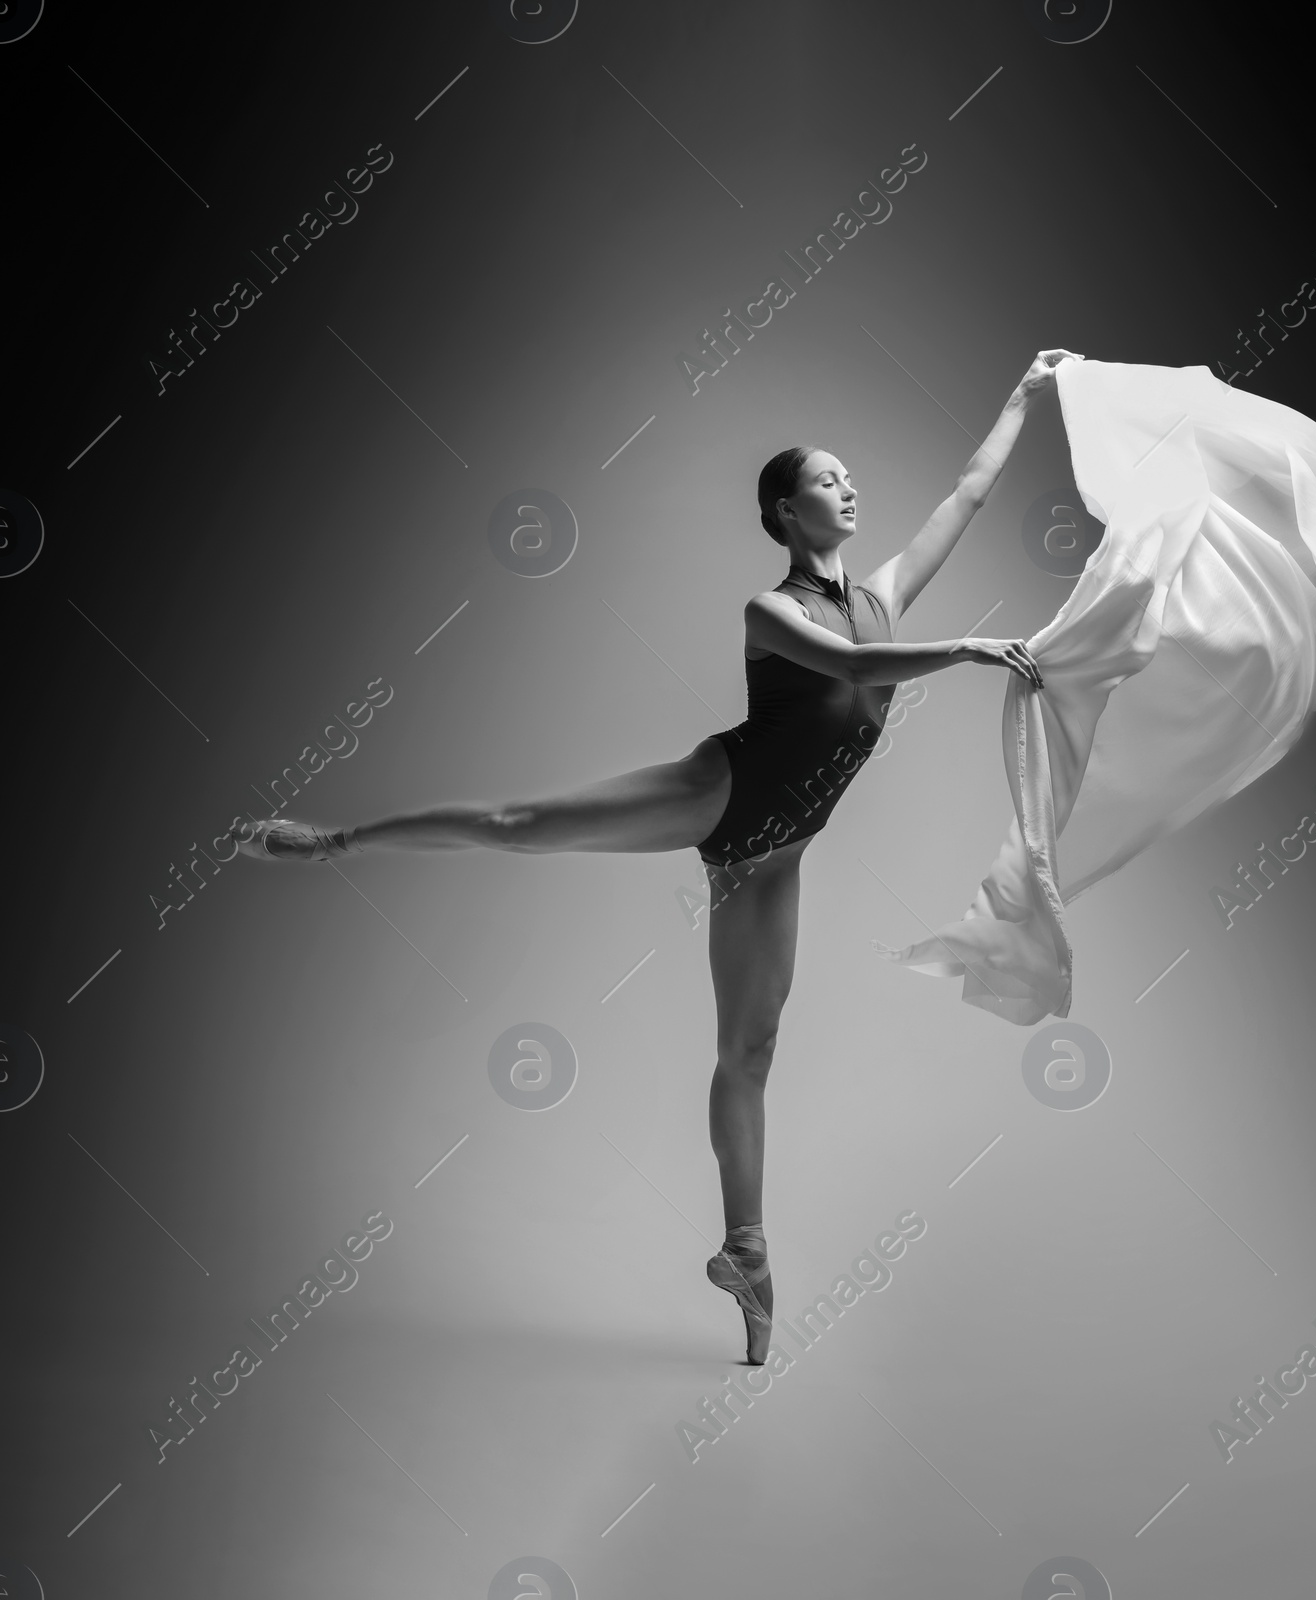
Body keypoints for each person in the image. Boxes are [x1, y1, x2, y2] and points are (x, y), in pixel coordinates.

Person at [234, 348, 1077, 1361]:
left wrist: (1025, 396)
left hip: (775, 859)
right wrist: (968, 648)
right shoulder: (775, 613)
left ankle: (745, 1255)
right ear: (782, 511)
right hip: (713, 795)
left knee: (749, 1055)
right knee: (518, 826)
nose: (848, 485)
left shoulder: (885, 593)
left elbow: (971, 492)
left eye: (849, 474)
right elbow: (850, 668)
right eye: (824, 477)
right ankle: (335, 841)